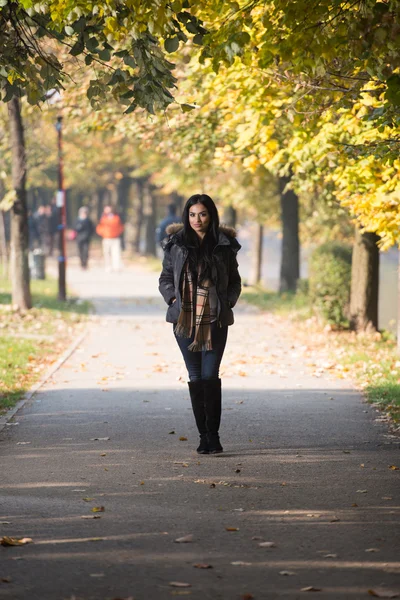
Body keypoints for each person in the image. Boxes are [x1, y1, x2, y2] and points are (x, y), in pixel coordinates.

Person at [159, 194, 241, 455]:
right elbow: (164, 278)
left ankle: (214, 436)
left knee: (209, 376)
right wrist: (173, 297)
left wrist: (227, 301)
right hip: (184, 322)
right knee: (195, 377)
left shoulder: (224, 245)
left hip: (215, 320)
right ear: (187, 216)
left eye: (202, 214)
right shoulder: (176, 244)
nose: (197, 219)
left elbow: (235, 281)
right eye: (192, 214)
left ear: (211, 215)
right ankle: (203, 436)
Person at [96, 205, 124, 272]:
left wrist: (117, 233)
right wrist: (102, 233)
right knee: (106, 253)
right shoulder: (103, 218)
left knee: (116, 253)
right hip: (106, 238)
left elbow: (121, 227)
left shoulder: (116, 217)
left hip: (115, 238)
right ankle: (108, 266)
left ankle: (116, 266)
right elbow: (99, 227)